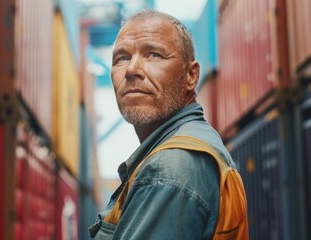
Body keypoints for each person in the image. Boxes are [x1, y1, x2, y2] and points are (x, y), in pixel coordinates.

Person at [89, 10, 248, 239]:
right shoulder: (193, 146)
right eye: (122, 58)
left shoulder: (169, 169)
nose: (132, 70)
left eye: (153, 55)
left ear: (191, 76)